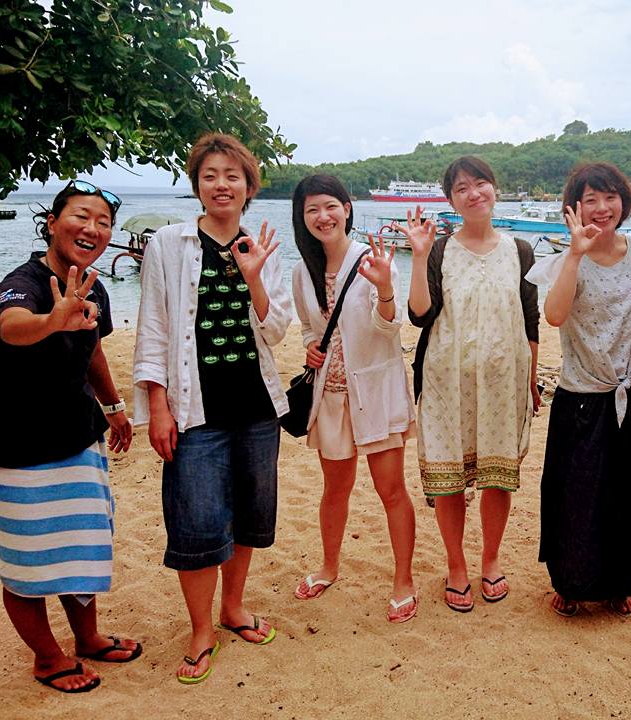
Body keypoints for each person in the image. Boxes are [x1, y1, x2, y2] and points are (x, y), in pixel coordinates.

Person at [133, 133, 291, 683]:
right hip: (193, 408)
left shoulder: (262, 246)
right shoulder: (168, 244)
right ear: (197, 184)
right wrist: (157, 407)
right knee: (196, 522)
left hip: (256, 407)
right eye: (210, 175)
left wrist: (254, 278)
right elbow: (153, 328)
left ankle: (234, 608)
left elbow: (276, 331)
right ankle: (201, 630)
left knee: (250, 514)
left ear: (249, 186)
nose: (221, 185)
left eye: (232, 176)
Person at [0, 180, 139, 693]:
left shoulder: (94, 287)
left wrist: (114, 407)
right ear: (51, 224)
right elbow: (12, 326)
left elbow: (93, 351)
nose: (93, 229)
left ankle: (87, 638)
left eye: (103, 222)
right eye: (81, 216)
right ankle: (47, 659)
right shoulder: (22, 282)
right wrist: (52, 320)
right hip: (15, 453)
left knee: (80, 550)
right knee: (27, 565)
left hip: (78, 442)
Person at [528, 163, 631, 619]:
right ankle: (571, 582)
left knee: (629, 491)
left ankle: (621, 581)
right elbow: (554, 316)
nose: (601, 207)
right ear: (573, 208)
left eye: (610, 197)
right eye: (590, 199)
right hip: (582, 394)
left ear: (624, 201)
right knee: (578, 493)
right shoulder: (563, 260)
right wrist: (575, 255)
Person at [401, 155, 539, 612]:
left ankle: (491, 559)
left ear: (494, 188)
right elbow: (420, 314)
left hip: (504, 384)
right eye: (461, 188)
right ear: (451, 200)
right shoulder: (440, 250)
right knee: (449, 479)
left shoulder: (520, 251)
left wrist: (532, 379)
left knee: (498, 478)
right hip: (446, 383)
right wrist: (419, 257)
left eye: (480, 183)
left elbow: (531, 320)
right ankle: (456, 565)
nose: (473, 193)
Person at [290, 174, 418, 623]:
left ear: (347, 208)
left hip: (376, 391)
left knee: (391, 490)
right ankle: (329, 567)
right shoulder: (302, 271)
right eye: (312, 209)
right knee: (335, 489)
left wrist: (384, 289)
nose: (322, 216)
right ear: (302, 217)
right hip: (331, 394)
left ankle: (404, 580)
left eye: (330, 206)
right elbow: (309, 329)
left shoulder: (374, 259)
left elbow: (390, 328)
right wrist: (310, 346)